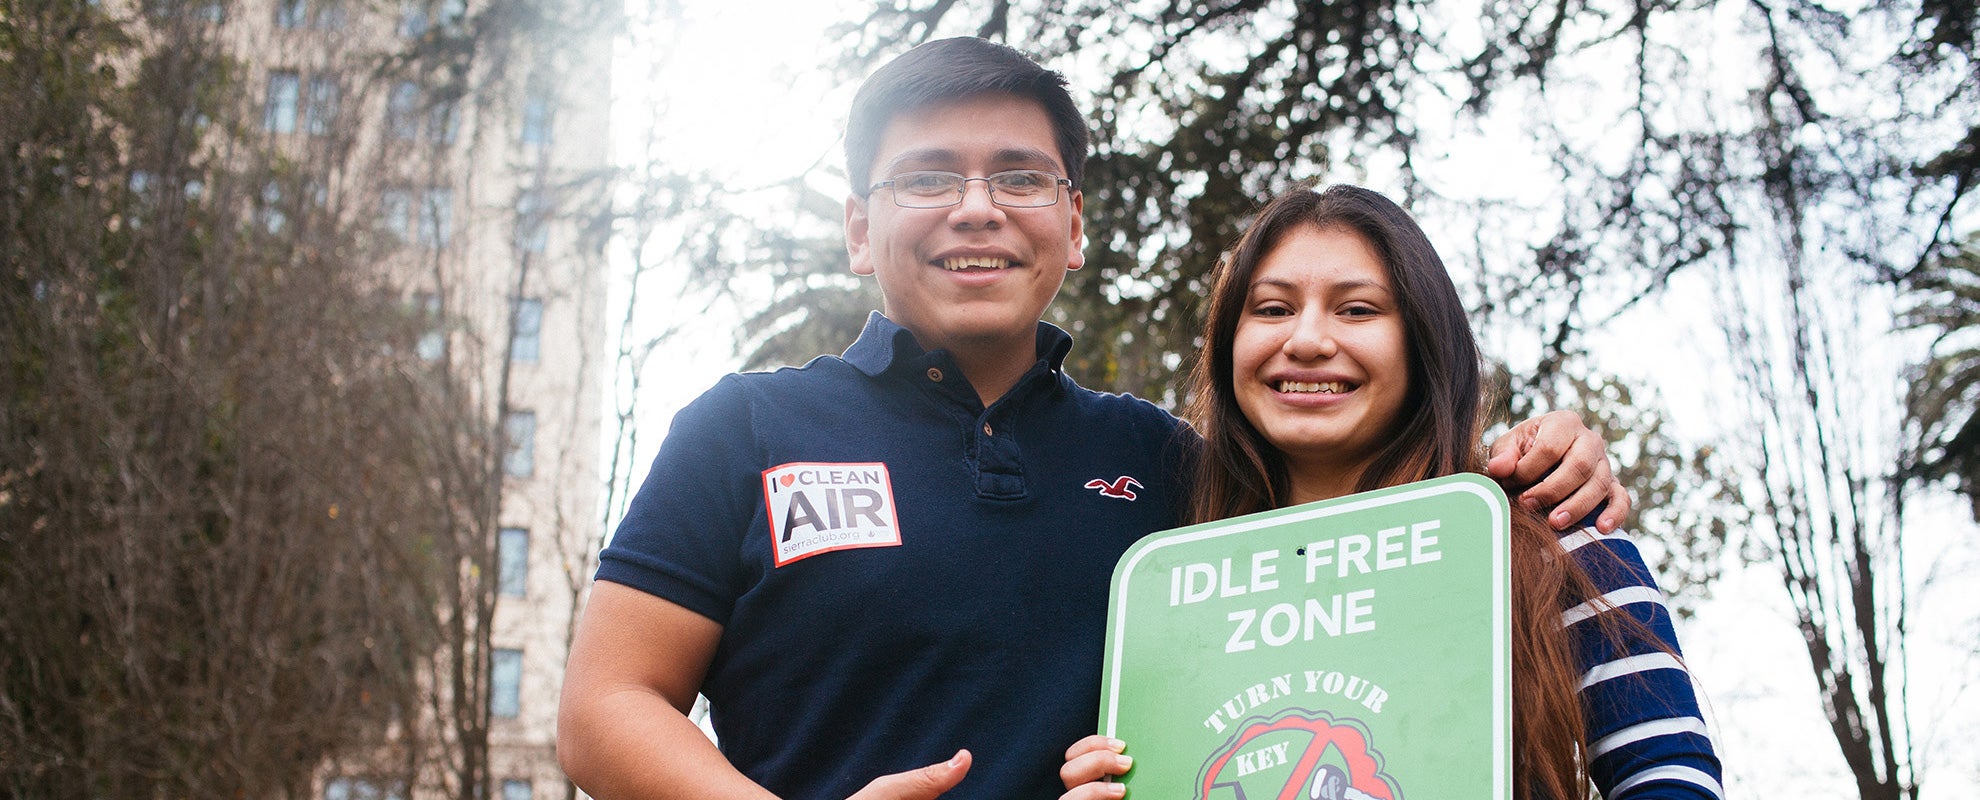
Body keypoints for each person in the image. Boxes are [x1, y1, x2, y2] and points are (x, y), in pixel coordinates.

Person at [557, 39, 1631, 800]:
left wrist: (1534, 468)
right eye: (927, 176)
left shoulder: (1166, 464)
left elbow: (1359, 540)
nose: (975, 207)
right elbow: (605, 708)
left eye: (1018, 176)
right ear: (858, 226)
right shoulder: (743, 428)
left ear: (1071, 226)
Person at [1056, 185, 1723, 799]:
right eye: (1272, 309)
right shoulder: (1173, 584)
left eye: (1357, 309)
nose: (1309, 339)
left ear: (1422, 341)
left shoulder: (1548, 539)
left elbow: (1671, 779)